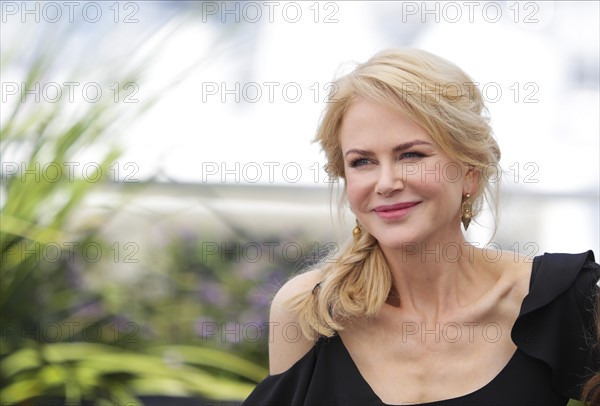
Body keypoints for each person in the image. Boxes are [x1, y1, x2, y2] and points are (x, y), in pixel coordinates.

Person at [243, 48, 600, 405]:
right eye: (362, 161)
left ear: (469, 173)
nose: (385, 182)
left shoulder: (559, 299)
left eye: (411, 155)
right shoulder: (309, 311)